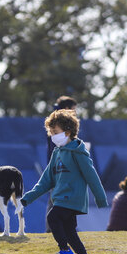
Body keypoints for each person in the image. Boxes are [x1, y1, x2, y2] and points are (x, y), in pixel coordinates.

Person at [20, 109, 108, 254]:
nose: (52, 136)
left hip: (72, 198)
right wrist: (27, 199)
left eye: (55, 132)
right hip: (60, 199)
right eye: (50, 132)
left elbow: (92, 176)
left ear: (67, 132)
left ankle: (65, 251)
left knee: (52, 217)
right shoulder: (56, 153)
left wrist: (101, 199)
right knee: (69, 232)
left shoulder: (78, 152)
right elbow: (46, 180)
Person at [44, 96, 78, 232]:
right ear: (68, 108)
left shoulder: (54, 120)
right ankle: (55, 228)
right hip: (60, 166)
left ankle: (53, 228)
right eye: (74, 110)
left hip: (56, 165)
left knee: (54, 199)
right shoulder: (59, 123)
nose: (75, 113)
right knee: (58, 198)